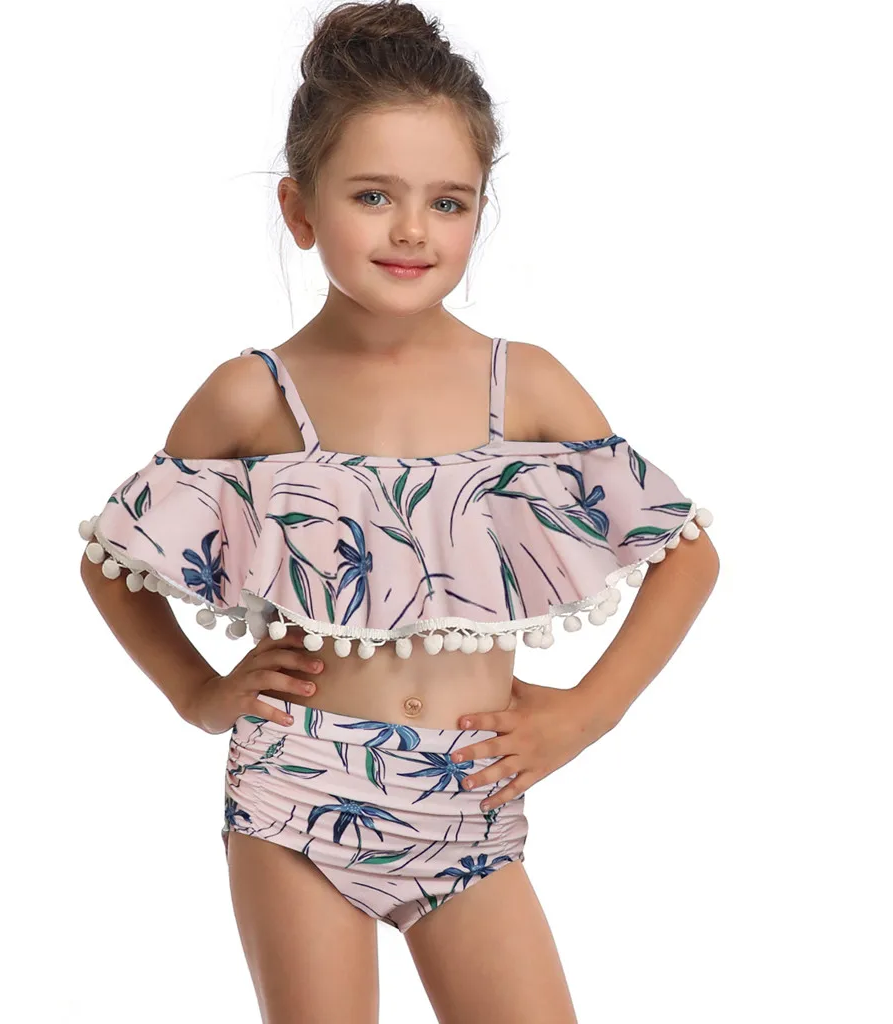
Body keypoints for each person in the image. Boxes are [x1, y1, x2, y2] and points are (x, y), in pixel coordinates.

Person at [77, 2, 720, 1020]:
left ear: (479, 211)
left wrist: (584, 715)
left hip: (471, 797)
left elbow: (685, 555)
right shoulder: (254, 396)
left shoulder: (526, 387)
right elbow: (114, 559)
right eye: (373, 195)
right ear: (300, 209)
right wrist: (197, 693)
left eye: (448, 202)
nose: (413, 230)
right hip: (296, 792)